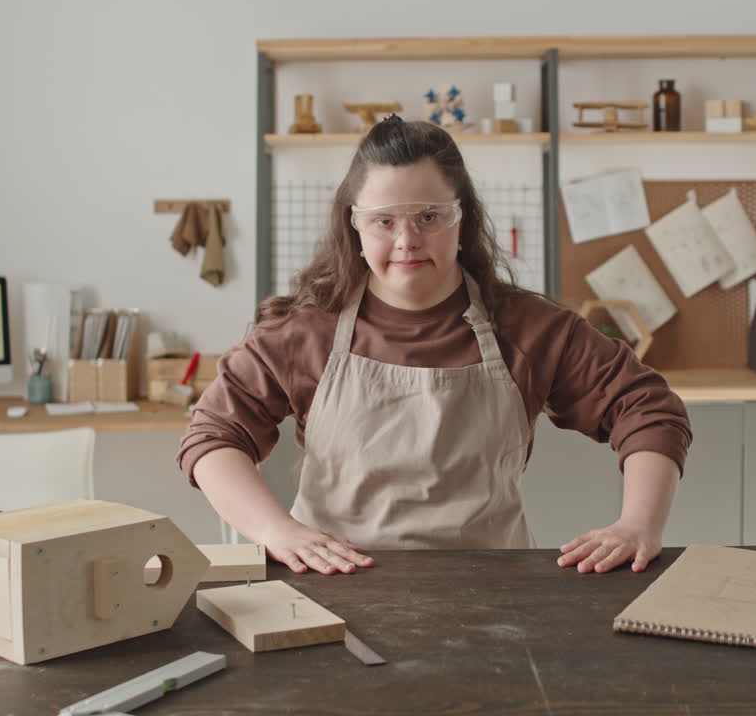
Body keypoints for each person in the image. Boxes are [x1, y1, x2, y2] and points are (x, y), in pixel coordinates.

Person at [177, 115, 691, 577]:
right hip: (334, 590)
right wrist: (275, 531)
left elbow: (648, 408)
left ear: (460, 218)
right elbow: (214, 435)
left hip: (495, 593)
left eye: (428, 216)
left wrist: (640, 524)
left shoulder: (530, 329)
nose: (407, 240)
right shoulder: (303, 333)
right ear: (354, 224)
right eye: (384, 221)